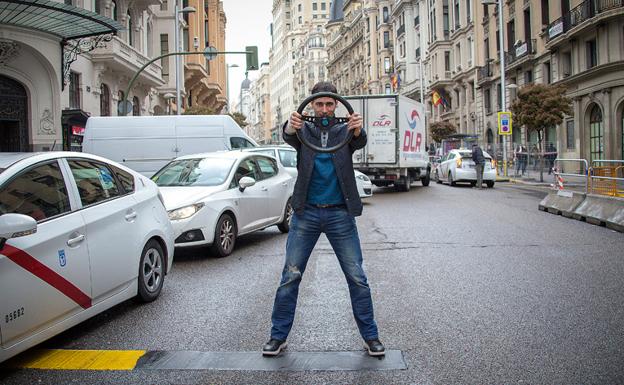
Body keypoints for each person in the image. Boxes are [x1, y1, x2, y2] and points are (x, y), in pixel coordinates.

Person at [262, 82, 384, 357]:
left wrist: (356, 127)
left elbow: (360, 140)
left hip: (340, 213)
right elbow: (288, 135)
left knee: (357, 277)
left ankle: (371, 336)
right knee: (290, 276)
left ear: (337, 105)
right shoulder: (303, 130)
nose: (325, 109)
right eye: (320, 104)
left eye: (329, 104)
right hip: (307, 213)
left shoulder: (345, 129)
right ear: (312, 106)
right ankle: (277, 337)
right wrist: (292, 125)